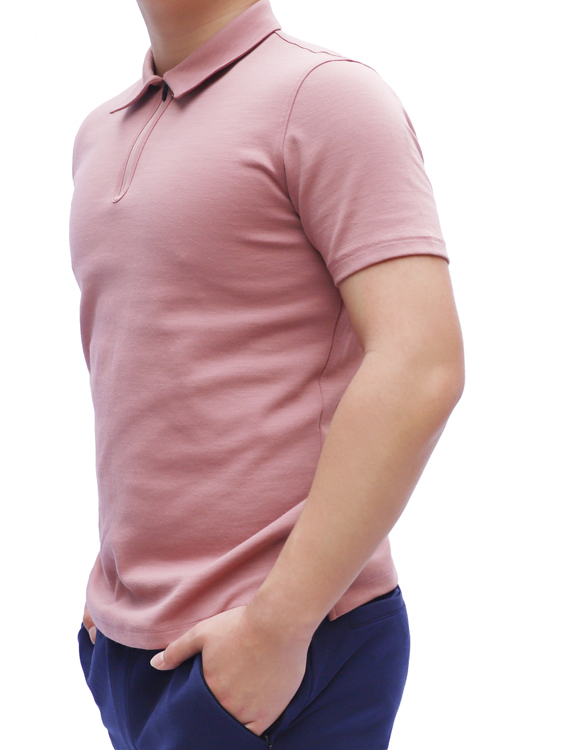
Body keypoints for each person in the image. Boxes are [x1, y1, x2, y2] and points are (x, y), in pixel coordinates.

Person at [70, 0, 464, 747]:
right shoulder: (99, 131)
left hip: (286, 646)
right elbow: (151, 369)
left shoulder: (326, 96)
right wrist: (115, 585)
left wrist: (279, 625)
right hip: (130, 642)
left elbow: (422, 365)